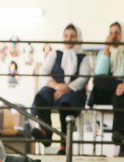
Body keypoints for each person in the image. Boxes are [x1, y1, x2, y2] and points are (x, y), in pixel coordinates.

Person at [31, 23, 90, 155]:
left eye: (72, 36)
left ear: (78, 38)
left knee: (65, 104)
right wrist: (56, 86)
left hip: (74, 92)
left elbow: (83, 78)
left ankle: (64, 145)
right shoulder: (54, 53)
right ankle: (46, 132)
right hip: (54, 88)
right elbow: (43, 72)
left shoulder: (83, 57)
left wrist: (65, 89)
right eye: (66, 35)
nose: (68, 38)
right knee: (41, 97)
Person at [91, 21, 124, 155]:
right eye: (111, 33)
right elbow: (100, 73)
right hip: (110, 89)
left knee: (120, 94)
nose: (113, 36)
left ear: (123, 34)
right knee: (98, 80)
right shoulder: (104, 52)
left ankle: (117, 132)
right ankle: (118, 131)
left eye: (117, 33)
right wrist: (106, 50)